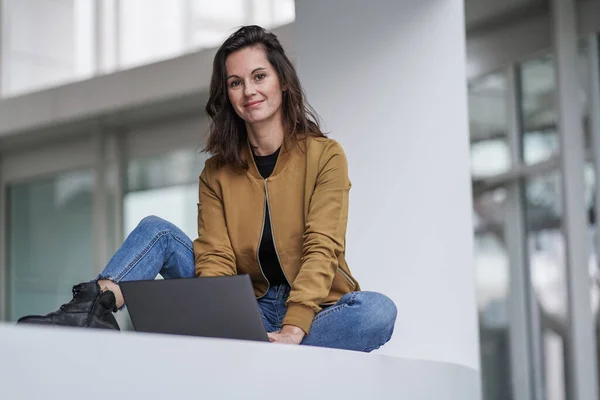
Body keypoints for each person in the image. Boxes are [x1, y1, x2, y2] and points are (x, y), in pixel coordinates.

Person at [17, 25, 397, 352]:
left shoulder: (324, 155)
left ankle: (269, 349)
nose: (249, 90)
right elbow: (215, 259)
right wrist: (225, 321)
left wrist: (294, 326)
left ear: (282, 80)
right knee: (157, 231)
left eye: (259, 76)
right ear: (227, 95)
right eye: (236, 82)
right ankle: (93, 309)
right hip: (248, 304)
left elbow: (322, 246)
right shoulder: (216, 173)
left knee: (377, 312)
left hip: (316, 309)